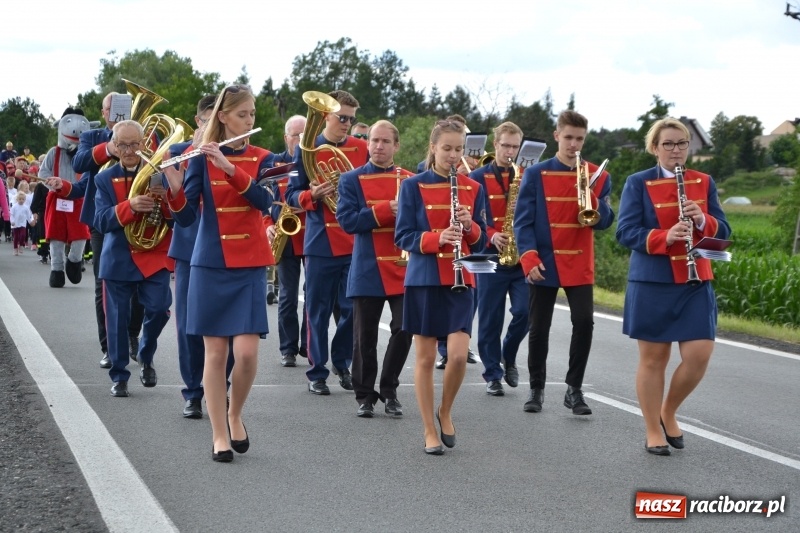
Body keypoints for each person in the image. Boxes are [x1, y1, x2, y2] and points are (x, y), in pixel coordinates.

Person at [164, 84, 276, 462]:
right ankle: (218, 435)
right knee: (215, 354)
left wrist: (229, 169)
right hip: (210, 261)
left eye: (252, 114)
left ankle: (234, 412)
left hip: (249, 261)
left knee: (246, 354)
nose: (249, 120)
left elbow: (266, 203)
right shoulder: (198, 157)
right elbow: (187, 217)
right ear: (222, 118)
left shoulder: (263, 157)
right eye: (242, 114)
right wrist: (176, 191)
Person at [616, 117, 731, 456]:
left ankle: (668, 410)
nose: (676, 150)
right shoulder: (637, 182)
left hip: (696, 279)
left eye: (681, 143)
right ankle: (653, 428)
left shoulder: (704, 181)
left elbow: (722, 230)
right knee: (654, 359)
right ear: (655, 148)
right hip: (653, 280)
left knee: (699, 355)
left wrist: (701, 219)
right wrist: (664, 236)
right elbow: (625, 232)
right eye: (668, 144)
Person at [395, 119, 488, 454]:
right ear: (433, 147)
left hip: (462, 277)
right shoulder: (412, 186)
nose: (452, 155)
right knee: (424, 358)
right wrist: (437, 238)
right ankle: (428, 429)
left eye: (458, 149)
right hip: (424, 278)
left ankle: (445, 410)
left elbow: (483, 241)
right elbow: (402, 235)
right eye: (446, 148)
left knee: (460, 357)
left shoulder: (474, 188)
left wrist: (470, 226)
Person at [514, 110, 614, 416]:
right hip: (543, 260)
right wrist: (528, 258)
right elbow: (523, 223)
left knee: (584, 323)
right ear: (557, 136)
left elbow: (605, 221)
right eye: (568, 137)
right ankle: (536, 388)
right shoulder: (536, 174)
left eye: (579, 139)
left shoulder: (598, 175)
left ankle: (574, 390)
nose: (573, 144)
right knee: (539, 327)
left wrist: (592, 199)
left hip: (579, 261)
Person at [285, 89, 368, 395]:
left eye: (351, 119)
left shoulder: (362, 148)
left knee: (353, 309)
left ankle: (342, 361)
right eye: (342, 118)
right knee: (317, 310)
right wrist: (312, 195)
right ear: (327, 117)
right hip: (320, 241)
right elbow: (291, 194)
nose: (347, 124)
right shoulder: (307, 149)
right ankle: (317, 371)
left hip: (355, 240)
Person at [164, 94, 235, 419]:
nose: (212, 129)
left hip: (228, 248)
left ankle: (220, 385)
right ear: (199, 122)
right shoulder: (177, 154)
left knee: (232, 327)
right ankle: (193, 391)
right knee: (190, 326)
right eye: (208, 122)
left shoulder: (235, 156)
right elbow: (164, 203)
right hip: (190, 247)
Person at [337, 119, 414, 417]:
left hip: (402, 265)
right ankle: (365, 395)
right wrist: (384, 210)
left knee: (405, 327)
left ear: (396, 146)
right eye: (374, 140)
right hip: (368, 266)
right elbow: (348, 222)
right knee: (364, 336)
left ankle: (390, 388)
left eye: (385, 142)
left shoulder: (410, 179)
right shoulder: (351, 180)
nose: (378, 146)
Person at [93, 120, 174, 398]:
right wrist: (129, 207)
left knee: (161, 308)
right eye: (123, 145)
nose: (129, 150)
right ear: (114, 146)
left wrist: (167, 203)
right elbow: (101, 221)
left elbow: (176, 218)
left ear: (144, 144)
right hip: (119, 257)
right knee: (115, 319)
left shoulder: (159, 174)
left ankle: (146, 353)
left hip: (154, 254)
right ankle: (119, 375)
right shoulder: (103, 178)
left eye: (134, 144)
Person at [71, 92, 144, 368]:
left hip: (140, 215)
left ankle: (131, 335)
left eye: (121, 109)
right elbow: (79, 164)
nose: (115, 113)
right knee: (104, 284)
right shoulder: (92, 137)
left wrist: (134, 142)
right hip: (102, 218)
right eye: (110, 109)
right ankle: (110, 347)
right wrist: (110, 148)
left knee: (141, 282)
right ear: (103, 113)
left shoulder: (142, 133)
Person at [469, 121, 528, 396]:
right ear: (496, 145)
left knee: (526, 312)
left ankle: (509, 353)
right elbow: (471, 217)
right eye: (505, 145)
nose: (510, 152)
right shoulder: (478, 177)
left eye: (515, 147)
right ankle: (492, 373)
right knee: (490, 318)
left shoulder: (525, 175)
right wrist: (492, 234)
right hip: (487, 255)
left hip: (519, 256)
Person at [268, 114, 308, 367]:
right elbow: (263, 201)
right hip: (286, 236)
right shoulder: (274, 166)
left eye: (305, 135)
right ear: (286, 138)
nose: (301, 139)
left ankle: (309, 345)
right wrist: (267, 225)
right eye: (296, 135)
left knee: (313, 296)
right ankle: (288, 348)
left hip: (314, 237)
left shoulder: (315, 161)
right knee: (288, 297)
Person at [40, 107, 93, 288]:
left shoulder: (86, 154)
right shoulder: (53, 153)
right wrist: (51, 184)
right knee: (57, 237)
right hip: (57, 199)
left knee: (80, 234)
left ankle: (74, 260)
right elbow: (43, 172)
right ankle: (57, 270)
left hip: (78, 200)